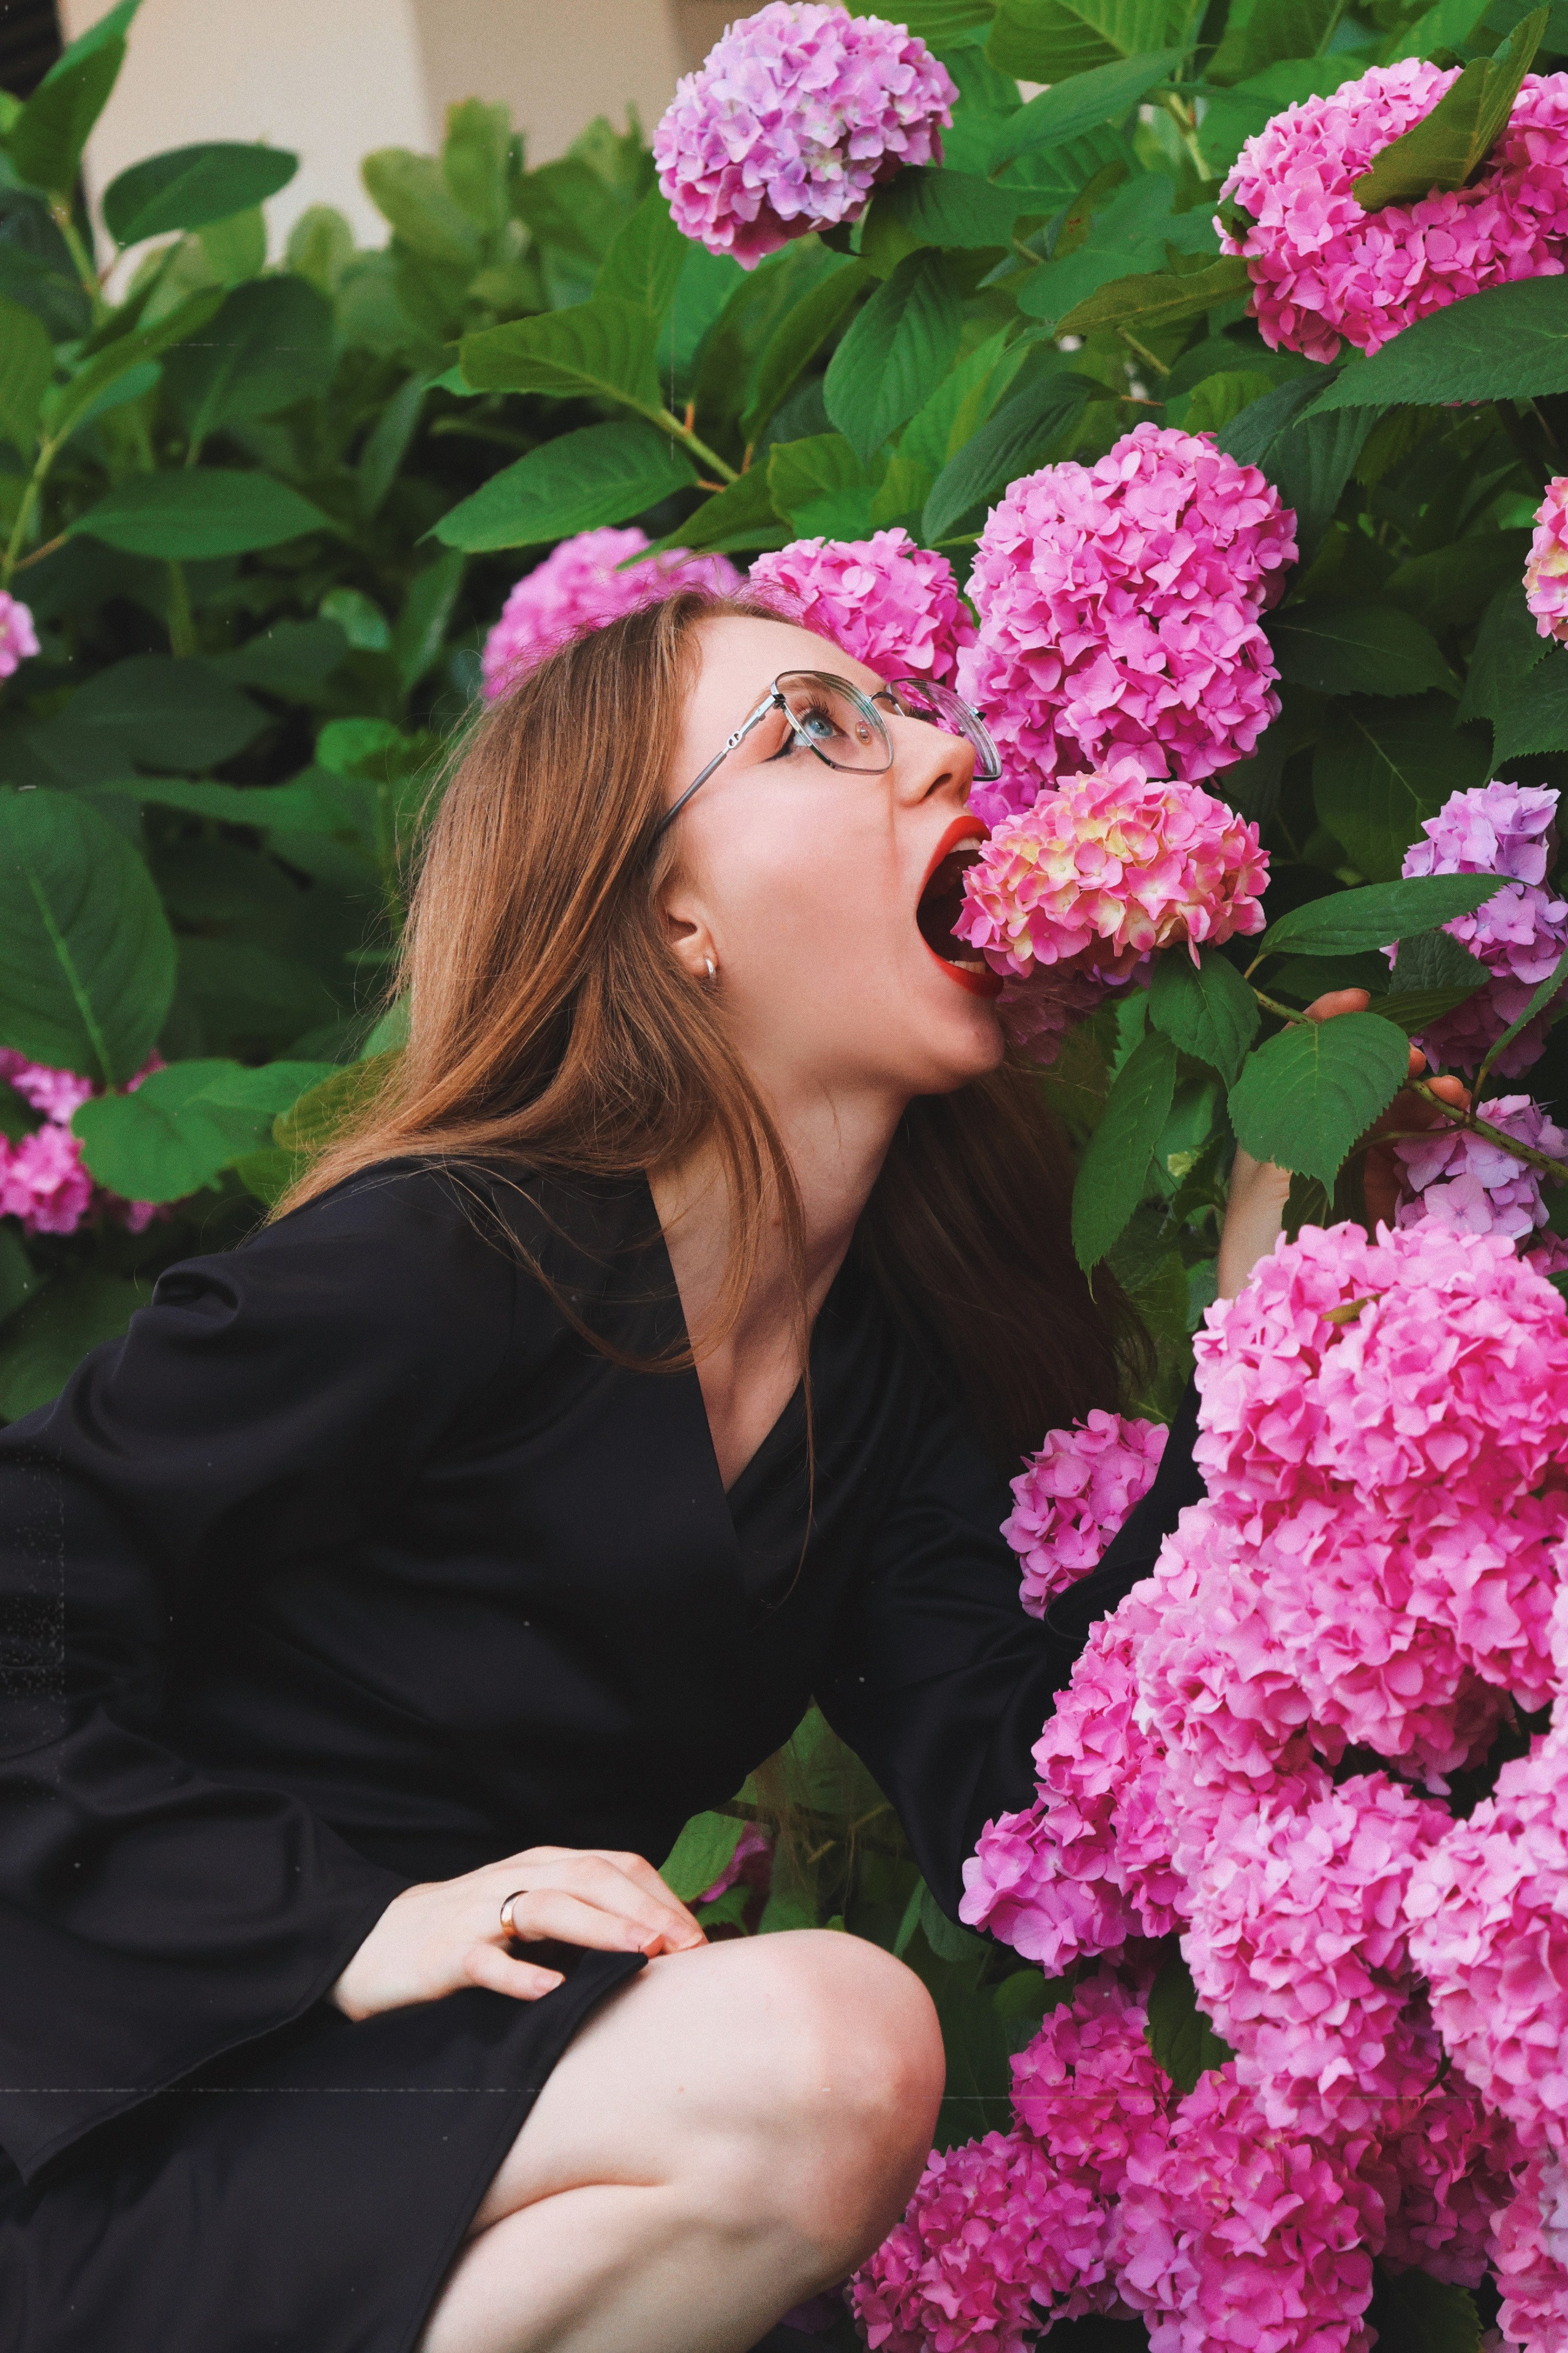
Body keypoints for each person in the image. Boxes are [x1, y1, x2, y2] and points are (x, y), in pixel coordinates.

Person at [0, 594, 1457, 2353]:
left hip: (530, 2157)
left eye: (914, 712)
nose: (949, 750)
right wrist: (348, 1929)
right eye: (819, 729)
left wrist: (1260, 1351)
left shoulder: (881, 1378)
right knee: (834, 2055)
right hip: (149, 2124)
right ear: (670, 911)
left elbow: (1032, 1810)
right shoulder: (451, 1256)